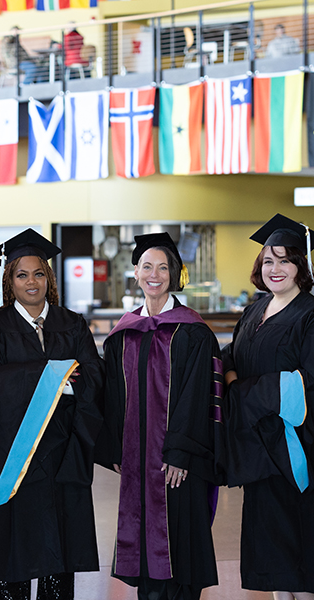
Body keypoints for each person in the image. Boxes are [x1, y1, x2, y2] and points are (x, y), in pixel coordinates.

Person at [0, 229, 103, 600]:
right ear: (9, 281)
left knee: (59, 550)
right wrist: (50, 378)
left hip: (63, 451)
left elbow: (92, 375)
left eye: (38, 273)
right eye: (21, 274)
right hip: (13, 456)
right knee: (14, 548)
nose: (31, 282)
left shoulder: (71, 324)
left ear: (49, 278)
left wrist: (65, 384)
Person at [222, 214, 314, 600]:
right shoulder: (255, 311)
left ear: (301, 266)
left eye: (285, 260)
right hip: (257, 450)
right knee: (272, 555)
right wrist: (230, 379)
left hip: (294, 448)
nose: (276, 269)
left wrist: (242, 392)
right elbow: (231, 358)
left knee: (298, 551)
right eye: (268, 261)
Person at [95, 232, 223, 600]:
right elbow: (114, 399)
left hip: (178, 464)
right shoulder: (122, 335)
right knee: (147, 564)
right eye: (147, 266)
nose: (155, 274)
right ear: (135, 273)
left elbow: (200, 396)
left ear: (175, 274)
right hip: (138, 464)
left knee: (180, 553)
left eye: (163, 267)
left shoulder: (193, 332)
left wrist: (181, 452)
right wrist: (119, 450)